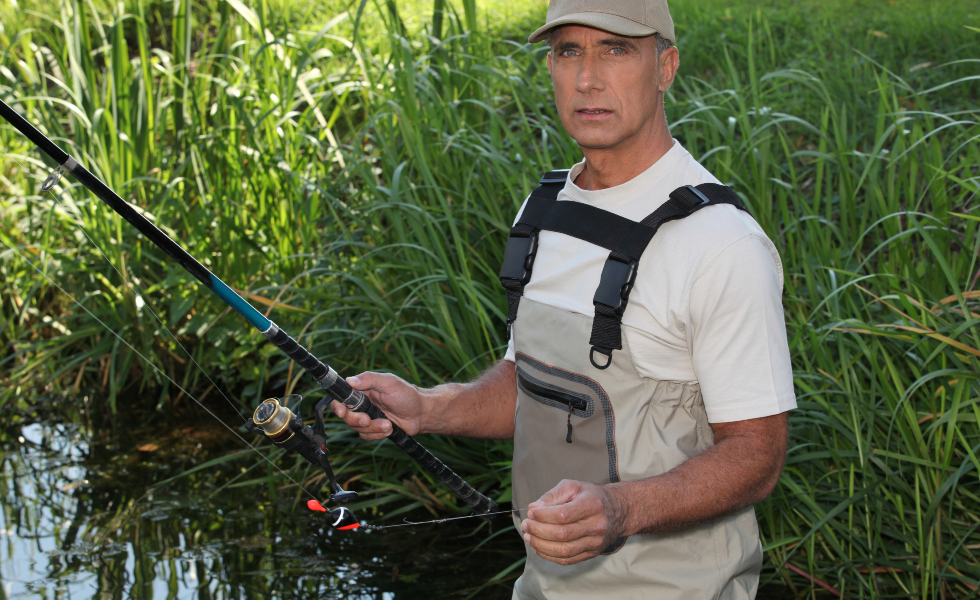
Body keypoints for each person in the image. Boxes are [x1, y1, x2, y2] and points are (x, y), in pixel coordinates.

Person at [332, 0, 796, 597]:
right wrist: (428, 408)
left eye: (617, 49)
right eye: (568, 51)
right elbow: (532, 384)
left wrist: (621, 510)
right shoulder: (544, 212)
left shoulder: (721, 245)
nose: (587, 78)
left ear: (666, 67)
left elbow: (758, 456)